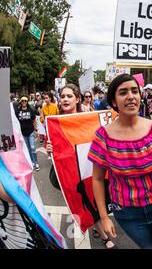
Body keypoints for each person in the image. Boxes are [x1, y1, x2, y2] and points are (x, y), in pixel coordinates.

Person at [88, 74, 152, 249]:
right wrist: (104, 217)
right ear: (114, 102)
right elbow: (98, 179)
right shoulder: (103, 137)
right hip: (127, 214)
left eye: (134, 91)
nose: (131, 96)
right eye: (123, 92)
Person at [46, 84, 117, 249]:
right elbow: (54, 152)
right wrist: (50, 149)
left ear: (77, 99)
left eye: (69, 96)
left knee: (97, 201)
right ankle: (107, 240)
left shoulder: (87, 119)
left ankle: (99, 229)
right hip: (69, 174)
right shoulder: (54, 123)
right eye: (62, 96)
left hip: (90, 170)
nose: (65, 99)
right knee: (86, 204)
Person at [15, 97, 38, 171]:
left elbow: (34, 119)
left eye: (25, 101)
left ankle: (36, 162)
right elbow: (15, 121)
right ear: (21, 102)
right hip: (23, 133)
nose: (24, 102)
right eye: (22, 101)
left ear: (27, 102)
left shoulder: (30, 110)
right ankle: (31, 162)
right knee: (28, 149)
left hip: (31, 131)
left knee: (33, 148)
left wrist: (36, 129)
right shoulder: (18, 111)